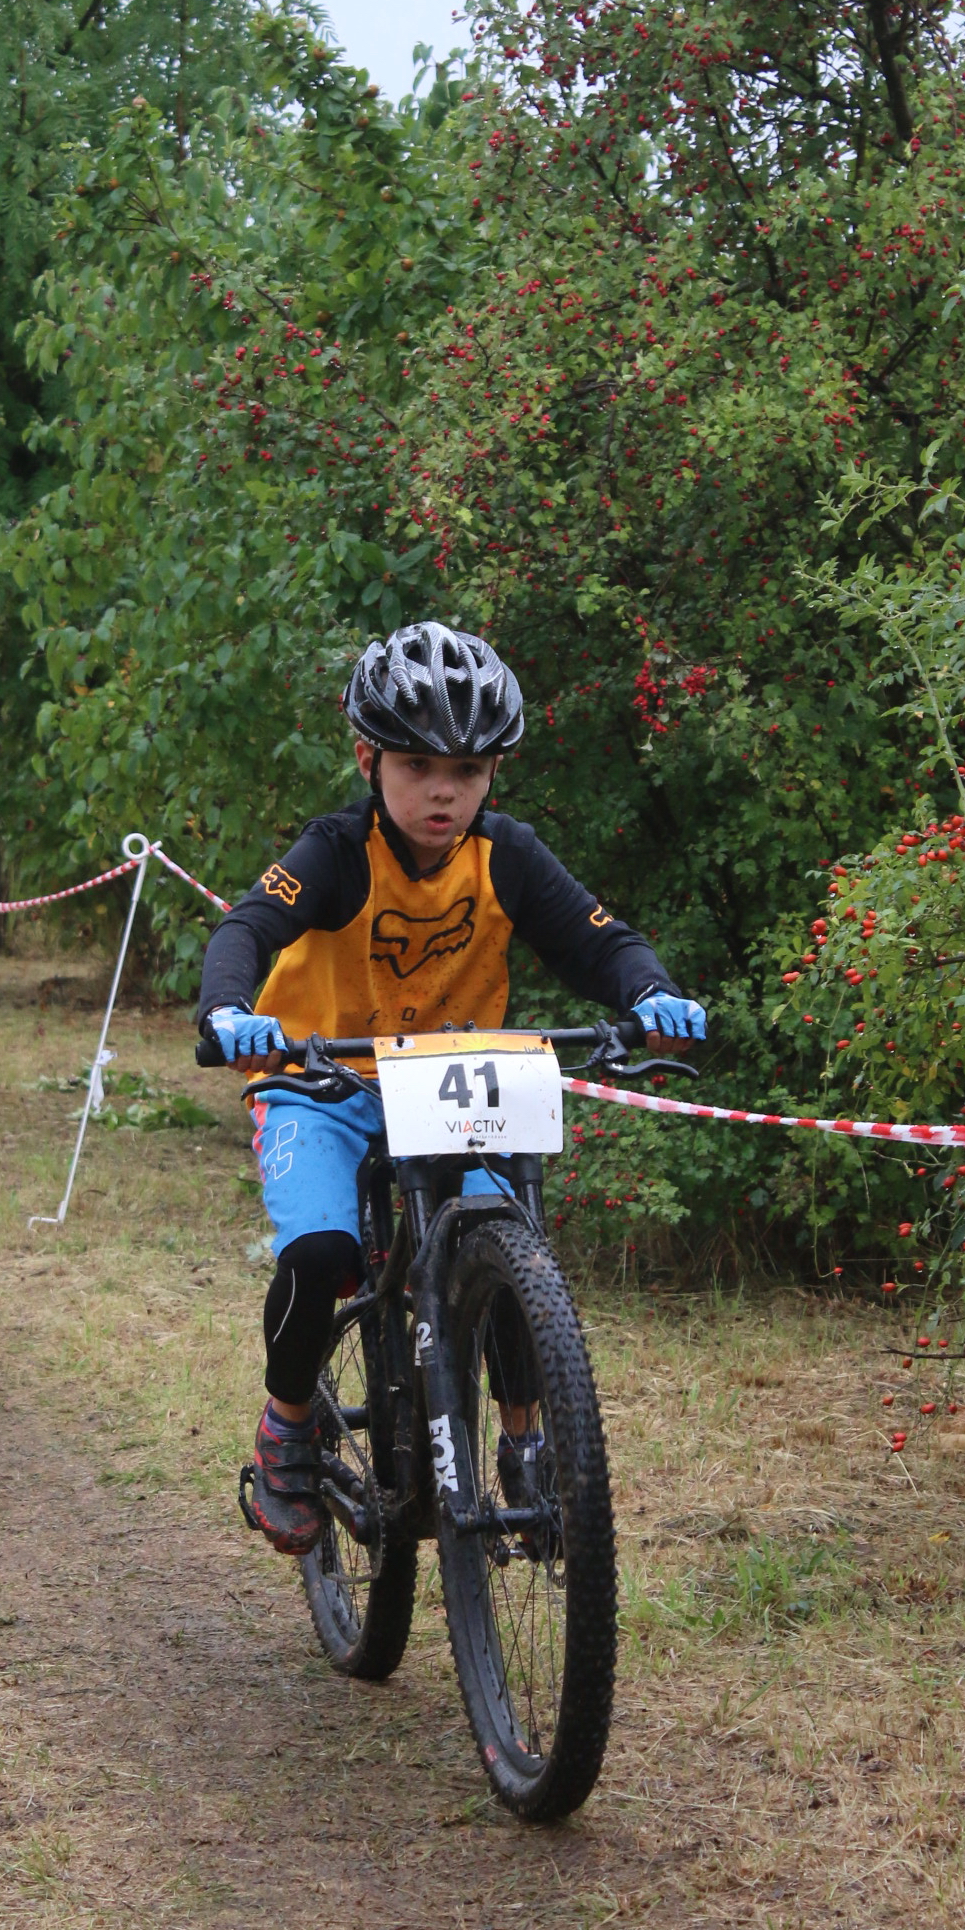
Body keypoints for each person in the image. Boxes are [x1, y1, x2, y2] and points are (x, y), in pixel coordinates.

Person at [196, 620, 706, 1558]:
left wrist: (652, 994)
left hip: (450, 1085)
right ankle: (286, 1427)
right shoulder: (336, 851)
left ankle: (527, 1446)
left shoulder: (506, 855)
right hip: (320, 1082)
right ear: (368, 759)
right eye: (419, 766)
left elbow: (600, 939)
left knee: (505, 1243)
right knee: (320, 1253)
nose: (444, 791)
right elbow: (248, 927)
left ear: (493, 774)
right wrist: (230, 1011)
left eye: (468, 771)